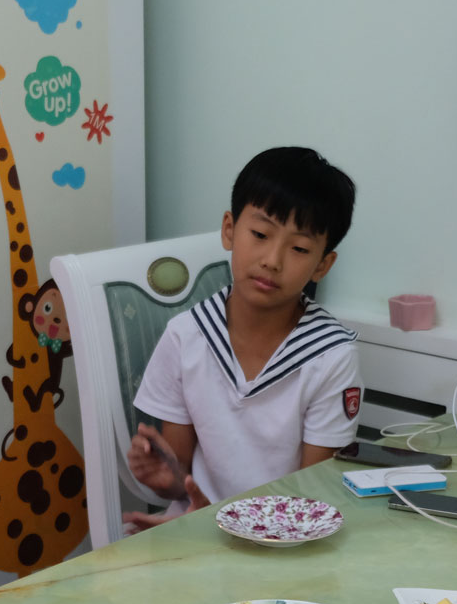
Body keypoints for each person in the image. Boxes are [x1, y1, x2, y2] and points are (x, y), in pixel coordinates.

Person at [124, 146, 361, 532]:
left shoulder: (331, 355)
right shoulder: (188, 336)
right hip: (195, 530)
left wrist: (222, 532)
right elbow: (180, 477)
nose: (272, 259)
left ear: (322, 264)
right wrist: (166, 480)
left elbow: (312, 498)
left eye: (299, 248)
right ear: (229, 229)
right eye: (260, 233)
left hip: (287, 541)